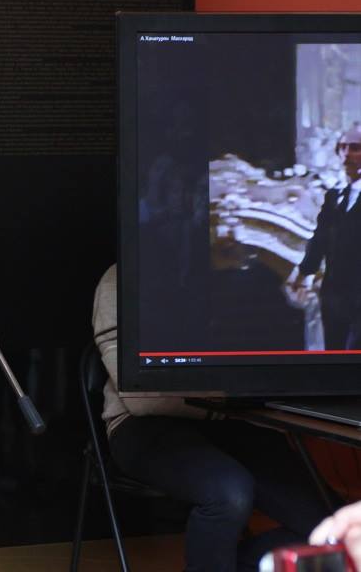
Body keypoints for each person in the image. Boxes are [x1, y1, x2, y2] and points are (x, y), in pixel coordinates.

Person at [94, 264, 329, 572]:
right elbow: (140, 400)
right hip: (142, 426)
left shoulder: (229, 268)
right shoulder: (119, 278)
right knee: (229, 493)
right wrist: (229, 400)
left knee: (329, 524)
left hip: (232, 418)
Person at [290, 125, 361, 349]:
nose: (346, 154)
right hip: (334, 295)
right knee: (335, 353)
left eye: (355, 148)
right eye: (343, 147)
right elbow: (320, 239)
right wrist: (303, 273)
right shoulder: (334, 196)